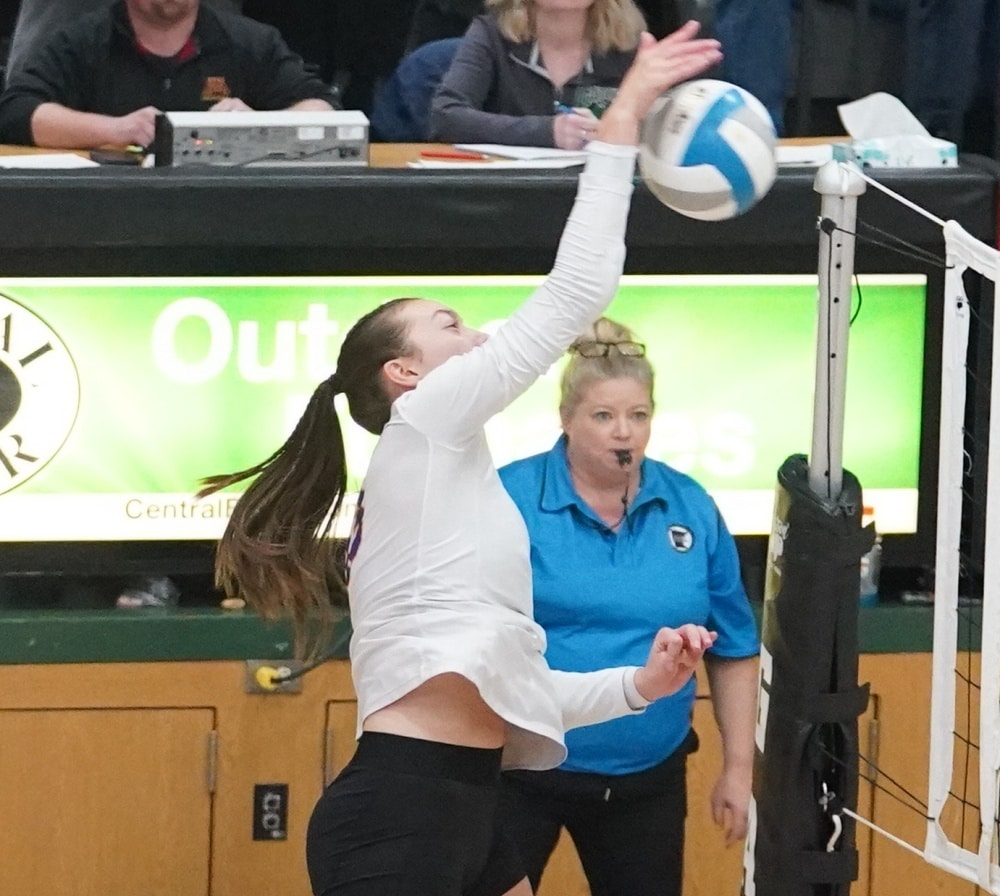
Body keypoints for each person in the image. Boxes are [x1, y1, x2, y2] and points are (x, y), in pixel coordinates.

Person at [197, 21, 723, 896]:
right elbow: (577, 292)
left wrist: (640, 683)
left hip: (467, 805)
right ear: (404, 374)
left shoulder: (451, 482)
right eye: (449, 325)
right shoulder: (424, 423)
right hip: (400, 812)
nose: (475, 335)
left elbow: (522, 693)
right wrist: (626, 113)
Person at [496, 316, 759, 896]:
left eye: (638, 416)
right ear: (565, 418)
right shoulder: (507, 496)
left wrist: (738, 769)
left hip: (647, 778)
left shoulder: (690, 504)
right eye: (603, 416)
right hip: (518, 770)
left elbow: (735, 647)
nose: (624, 433)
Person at [0, 0, 339, 149]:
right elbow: (15, 113)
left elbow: (324, 108)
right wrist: (117, 130)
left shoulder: (250, 43)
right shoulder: (82, 42)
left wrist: (257, 126)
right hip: (108, 212)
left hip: (227, 213)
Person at [428, 0, 648, 149]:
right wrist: (547, 132)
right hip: (510, 192)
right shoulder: (491, 34)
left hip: (603, 189)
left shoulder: (630, 45)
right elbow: (446, 116)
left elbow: (659, 133)